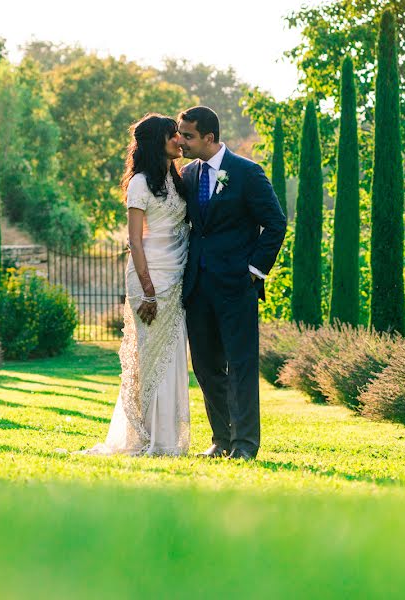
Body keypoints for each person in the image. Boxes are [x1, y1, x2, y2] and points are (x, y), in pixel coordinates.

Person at [178, 106, 287, 461]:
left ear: (209, 137)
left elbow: (275, 224)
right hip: (197, 287)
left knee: (240, 365)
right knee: (206, 366)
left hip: (237, 287)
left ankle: (244, 444)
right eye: (180, 134)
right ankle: (221, 439)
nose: (181, 141)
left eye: (188, 135)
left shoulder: (247, 173)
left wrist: (254, 271)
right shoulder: (189, 175)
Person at [80, 114, 191, 456]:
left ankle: (167, 438)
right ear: (158, 141)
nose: (179, 141)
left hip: (178, 275)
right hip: (149, 277)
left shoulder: (178, 179)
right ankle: (148, 438)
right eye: (173, 135)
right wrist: (147, 291)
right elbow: (135, 241)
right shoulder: (140, 183)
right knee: (150, 358)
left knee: (172, 355)